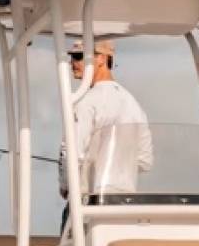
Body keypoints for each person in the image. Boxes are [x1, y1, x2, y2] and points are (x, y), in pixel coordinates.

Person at [58, 39, 154, 212]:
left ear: (102, 58)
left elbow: (72, 152)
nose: (73, 63)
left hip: (89, 204)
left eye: (79, 56)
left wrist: (65, 184)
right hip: (126, 205)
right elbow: (144, 160)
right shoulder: (134, 105)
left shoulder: (84, 102)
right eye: (71, 57)